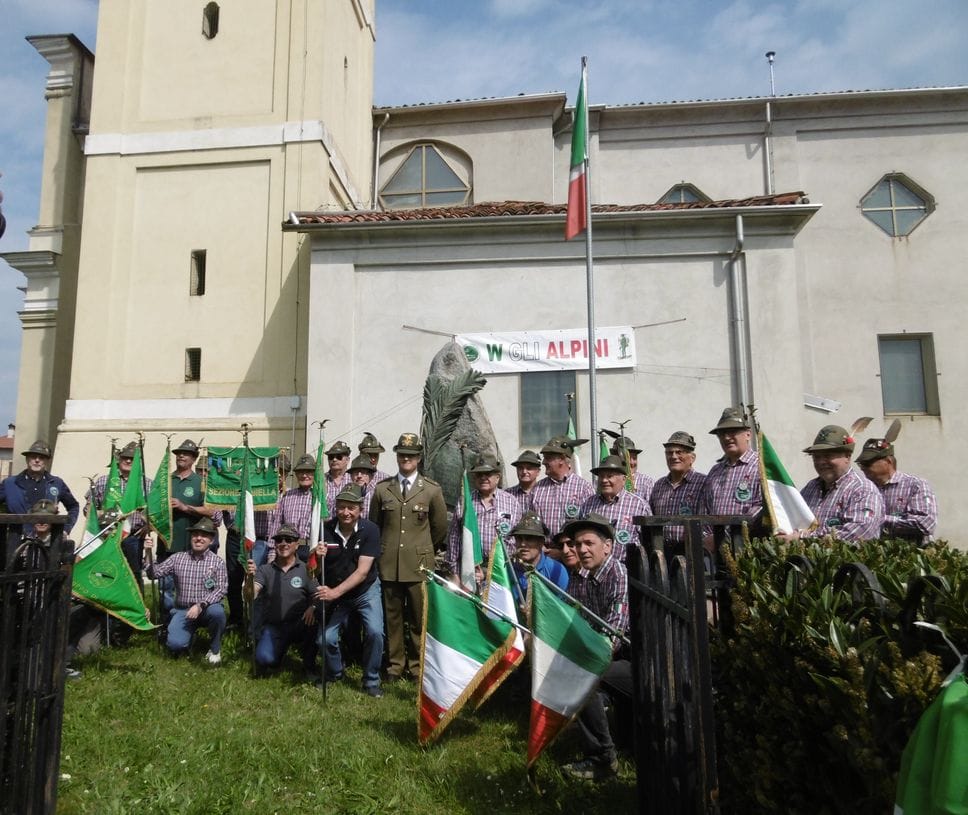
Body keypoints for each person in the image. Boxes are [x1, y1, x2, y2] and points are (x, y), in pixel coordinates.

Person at [369, 432, 447, 682]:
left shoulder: (432, 490)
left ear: (418, 458)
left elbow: (439, 528)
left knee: (418, 618)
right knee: (392, 618)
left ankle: (417, 666)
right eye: (402, 454)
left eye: (411, 455)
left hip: (419, 565)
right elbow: (374, 525)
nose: (406, 458)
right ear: (397, 456)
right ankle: (394, 666)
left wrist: (421, 548)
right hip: (389, 562)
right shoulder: (383, 490)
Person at [561, 514, 630, 781]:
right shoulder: (584, 577)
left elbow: (611, 639)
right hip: (611, 659)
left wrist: (578, 659)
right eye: (578, 544)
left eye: (589, 543)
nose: (582, 550)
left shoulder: (618, 575)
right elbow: (579, 625)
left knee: (583, 677)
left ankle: (602, 759)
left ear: (608, 546)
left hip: (638, 660)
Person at [314, 485, 384, 697]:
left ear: (360, 509)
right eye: (342, 507)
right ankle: (335, 673)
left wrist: (335, 593)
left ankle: (371, 680)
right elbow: (315, 571)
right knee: (324, 639)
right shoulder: (324, 530)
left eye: (351, 508)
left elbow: (363, 572)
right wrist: (317, 557)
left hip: (365, 591)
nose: (346, 512)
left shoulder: (371, 530)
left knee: (375, 632)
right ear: (335, 508)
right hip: (337, 594)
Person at [145, 517, 227, 663]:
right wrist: (148, 553)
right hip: (183, 610)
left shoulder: (218, 562)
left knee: (218, 612)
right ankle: (188, 638)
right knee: (175, 645)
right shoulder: (177, 558)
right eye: (195, 534)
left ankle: (215, 649)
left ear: (211, 540)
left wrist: (200, 605)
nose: (199, 538)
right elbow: (153, 574)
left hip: (207, 608)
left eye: (204, 535)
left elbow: (221, 589)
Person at [786, 425, 885, 543]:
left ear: (847, 456)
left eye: (828, 455)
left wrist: (802, 537)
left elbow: (857, 533)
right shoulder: (810, 487)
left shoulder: (863, 490)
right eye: (816, 457)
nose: (821, 462)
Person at [247, 523, 320, 678]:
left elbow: (318, 596)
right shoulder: (265, 570)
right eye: (279, 540)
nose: (283, 543)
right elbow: (251, 595)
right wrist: (249, 579)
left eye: (288, 540)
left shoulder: (306, 569)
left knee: (316, 620)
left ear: (297, 544)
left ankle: (309, 666)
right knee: (265, 659)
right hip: (275, 625)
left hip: (300, 623)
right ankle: (278, 653)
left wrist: (313, 606)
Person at [86, 440, 153, 586]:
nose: (128, 460)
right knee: (105, 571)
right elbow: (89, 508)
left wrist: (148, 527)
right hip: (106, 535)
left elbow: (155, 514)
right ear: (118, 459)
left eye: (132, 458)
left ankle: (136, 606)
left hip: (133, 537)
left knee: (133, 574)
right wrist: (100, 516)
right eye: (124, 457)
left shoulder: (147, 484)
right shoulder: (104, 481)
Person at [445, 453, 521, 578]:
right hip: (470, 571)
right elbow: (454, 538)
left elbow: (516, 540)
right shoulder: (465, 502)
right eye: (479, 474)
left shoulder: (511, 502)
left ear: (498, 477)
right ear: (474, 478)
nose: (483, 478)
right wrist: (455, 573)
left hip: (503, 571)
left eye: (488, 474)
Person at [698, 408, 763, 552]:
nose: (727, 438)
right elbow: (704, 509)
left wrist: (724, 537)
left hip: (750, 550)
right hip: (715, 551)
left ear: (748, 434)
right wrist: (708, 537)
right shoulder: (715, 471)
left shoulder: (762, 467)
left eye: (733, 432)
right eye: (722, 434)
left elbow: (761, 509)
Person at [856, 436, 937, 546]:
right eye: (861, 464)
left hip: (910, 555)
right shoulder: (863, 488)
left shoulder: (915, 485)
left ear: (888, 461)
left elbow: (925, 524)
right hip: (875, 555)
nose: (862, 468)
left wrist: (878, 520)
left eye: (867, 463)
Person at [580, 454, 650, 563]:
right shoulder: (588, 505)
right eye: (601, 476)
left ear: (623, 479)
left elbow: (649, 543)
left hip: (629, 573)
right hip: (593, 572)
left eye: (609, 476)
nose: (604, 480)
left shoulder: (639, 506)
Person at [1, 439, 79, 535]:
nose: (37, 460)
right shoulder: (10, 484)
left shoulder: (56, 483)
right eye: (33, 457)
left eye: (41, 458)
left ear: (47, 461)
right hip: (15, 542)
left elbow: (73, 506)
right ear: (27, 459)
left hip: (47, 544)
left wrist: (65, 529)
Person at [649, 431, 707, 549]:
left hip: (693, 550)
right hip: (662, 551)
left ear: (692, 458)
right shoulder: (659, 486)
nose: (674, 457)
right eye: (669, 453)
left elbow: (708, 523)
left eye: (679, 452)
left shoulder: (703, 483)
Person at [529, 436, 594, 537]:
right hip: (544, 550)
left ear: (562, 459)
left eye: (548, 458)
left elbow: (589, 527)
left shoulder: (583, 488)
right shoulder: (537, 489)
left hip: (573, 551)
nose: (543, 462)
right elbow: (531, 525)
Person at [168, 439, 217, 555]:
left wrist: (184, 507)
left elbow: (211, 511)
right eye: (179, 453)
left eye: (186, 453)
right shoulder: (165, 481)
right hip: (165, 545)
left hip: (190, 546)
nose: (181, 455)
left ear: (194, 459)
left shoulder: (201, 482)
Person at [510, 511, 569, 600]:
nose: (523, 544)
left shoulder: (556, 570)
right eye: (519, 538)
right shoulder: (508, 568)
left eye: (529, 539)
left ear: (541, 542)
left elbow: (560, 608)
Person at [270, 454, 317, 561]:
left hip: (311, 549)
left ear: (314, 474)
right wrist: (272, 554)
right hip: (288, 549)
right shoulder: (287, 496)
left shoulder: (320, 499)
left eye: (309, 472)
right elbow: (277, 525)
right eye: (301, 472)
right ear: (296, 474)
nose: (304, 475)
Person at [610, 436, 654, 503]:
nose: (631, 462)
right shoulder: (606, 481)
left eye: (634, 458)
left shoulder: (646, 482)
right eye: (627, 458)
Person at [324, 441, 353, 509]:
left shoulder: (353, 479)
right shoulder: (321, 480)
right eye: (331, 457)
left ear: (347, 460)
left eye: (339, 457)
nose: (334, 459)